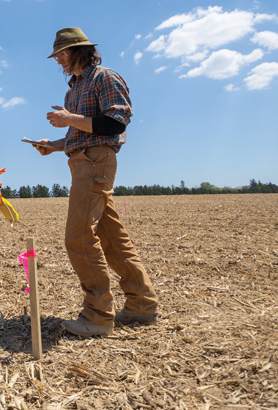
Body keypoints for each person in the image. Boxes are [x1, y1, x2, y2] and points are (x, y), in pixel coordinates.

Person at [34, 28, 159, 337]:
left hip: (95, 163)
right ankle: (142, 304)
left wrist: (69, 120)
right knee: (111, 239)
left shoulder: (105, 77)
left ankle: (98, 315)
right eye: (56, 55)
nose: (59, 60)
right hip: (82, 162)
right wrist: (54, 144)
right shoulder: (73, 89)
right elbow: (81, 132)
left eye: (63, 53)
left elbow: (115, 122)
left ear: (81, 51)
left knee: (78, 237)